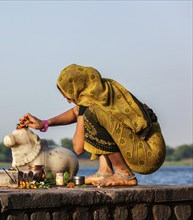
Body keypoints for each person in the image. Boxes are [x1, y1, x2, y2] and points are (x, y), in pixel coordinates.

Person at [19, 64, 166, 186]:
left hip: (147, 152)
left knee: (92, 116)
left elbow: (78, 147)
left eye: (69, 97)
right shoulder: (100, 91)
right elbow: (74, 112)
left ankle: (124, 174)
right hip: (143, 146)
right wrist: (44, 123)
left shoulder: (92, 105)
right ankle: (105, 171)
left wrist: (83, 110)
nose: (69, 101)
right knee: (94, 116)